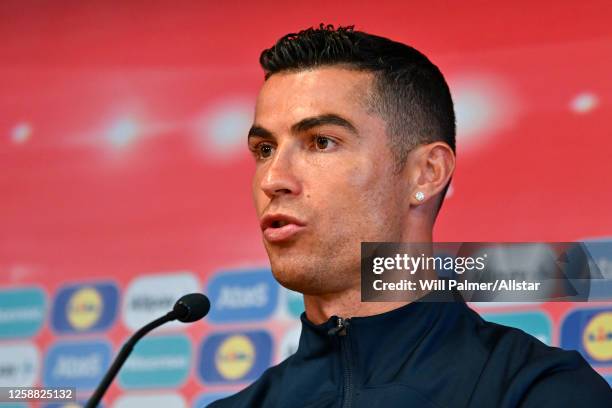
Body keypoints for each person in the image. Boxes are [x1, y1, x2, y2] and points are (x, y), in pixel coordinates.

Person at [209, 24, 611, 407]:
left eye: (321, 142)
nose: (274, 179)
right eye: (264, 149)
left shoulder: (539, 392)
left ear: (427, 173)